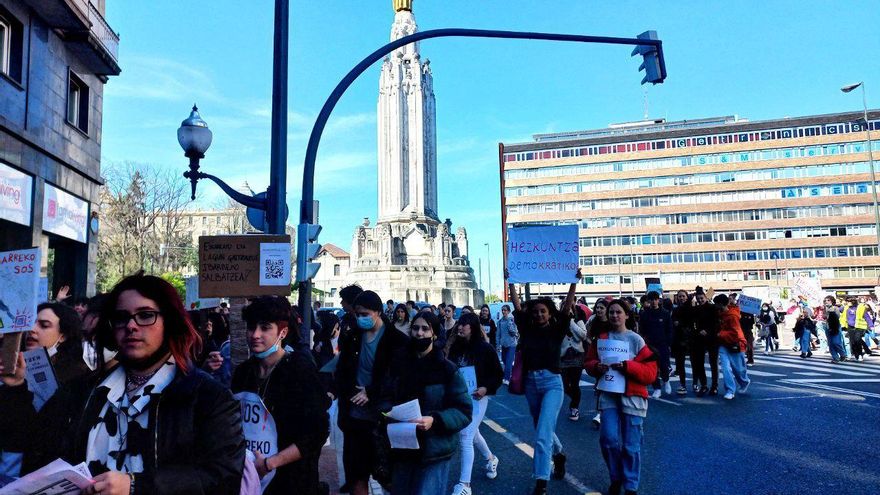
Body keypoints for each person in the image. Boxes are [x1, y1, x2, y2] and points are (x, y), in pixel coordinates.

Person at [0, 272, 245, 493]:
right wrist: (14, 388)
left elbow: (222, 478)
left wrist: (137, 486)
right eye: (121, 317)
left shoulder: (207, 398)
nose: (131, 326)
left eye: (145, 315)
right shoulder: (81, 392)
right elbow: (34, 447)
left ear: (169, 321)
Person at [231, 296, 329, 494]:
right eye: (251, 327)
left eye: (265, 328)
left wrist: (270, 463)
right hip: (249, 479)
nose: (255, 334)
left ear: (282, 332)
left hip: (291, 481)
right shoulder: (243, 373)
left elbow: (317, 433)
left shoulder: (300, 371)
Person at [507, 268, 580, 495]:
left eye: (543, 311)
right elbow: (518, 307)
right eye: (536, 311)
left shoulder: (557, 329)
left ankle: (541, 482)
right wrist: (510, 281)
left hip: (552, 383)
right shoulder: (526, 329)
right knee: (543, 428)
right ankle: (559, 455)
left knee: (541, 435)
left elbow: (567, 307)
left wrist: (573, 282)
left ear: (550, 313)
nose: (539, 314)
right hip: (530, 383)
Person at [384, 311, 472, 495]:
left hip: (434, 449)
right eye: (415, 328)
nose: (419, 333)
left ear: (435, 334)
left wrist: (435, 420)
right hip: (402, 446)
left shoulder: (447, 369)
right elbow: (384, 395)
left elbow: (464, 411)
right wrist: (387, 411)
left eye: (425, 329)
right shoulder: (397, 363)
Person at [335, 290, 409, 494]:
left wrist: (371, 391)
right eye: (357, 314)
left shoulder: (397, 341)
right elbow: (342, 370)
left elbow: (400, 378)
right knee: (356, 475)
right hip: (354, 417)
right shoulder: (353, 338)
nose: (360, 318)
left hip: (384, 418)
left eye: (365, 314)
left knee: (388, 476)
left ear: (378, 312)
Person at [584, 299, 657, 495]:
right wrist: (594, 367)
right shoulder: (601, 339)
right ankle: (616, 477)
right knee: (608, 439)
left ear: (626, 315)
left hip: (632, 396)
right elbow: (589, 361)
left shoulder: (636, 340)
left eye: (618, 312)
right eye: (611, 312)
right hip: (608, 394)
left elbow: (650, 373)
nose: (615, 315)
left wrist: (628, 366)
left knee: (631, 446)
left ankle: (631, 485)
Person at [446, 313, 503, 495]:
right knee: (473, 432)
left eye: (464, 324)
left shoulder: (485, 349)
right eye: (459, 324)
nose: (460, 327)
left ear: (473, 327)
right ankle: (491, 458)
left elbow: (497, 374)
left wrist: (485, 388)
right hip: (459, 397)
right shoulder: (455, 346)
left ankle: (465, 485)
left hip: (478, 397)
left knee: (465, 435)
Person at [28, 302, 91, 384]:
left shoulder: (75, 376)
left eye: (44, 325)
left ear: (62, 337)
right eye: (29, 324)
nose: (31, 329)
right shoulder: (10, 363)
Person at [714, 294, 750, 400]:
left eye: (716, 304)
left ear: (720, 304)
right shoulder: (723, 313)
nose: (715, 306)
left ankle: (744, 381)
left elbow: (735, 333)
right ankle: (730, 390)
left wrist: (721, 334)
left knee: (738, 369)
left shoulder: (732, 316)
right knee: (725, 368)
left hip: (735, 343)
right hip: (724, 344)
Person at [637, 291, 672, 398]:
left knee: (664, 365)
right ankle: (657, 388)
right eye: (651, 299)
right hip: (649, 344)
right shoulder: (644, 314)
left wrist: (668, 342)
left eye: (655, 299)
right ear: (648, 301)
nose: (653, 302)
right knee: (652, 367)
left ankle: (666, 381)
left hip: (662, 343)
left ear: (659, 300)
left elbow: (670, 329)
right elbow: (641, 329)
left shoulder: (665, 313)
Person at [560, 305, 588, 420]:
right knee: (564, 385)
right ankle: (575, 399)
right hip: (563, 357)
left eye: (569, 309)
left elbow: (582, 336)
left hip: (577, 356)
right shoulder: (558, 322)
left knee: (575, 384)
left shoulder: (578, 321)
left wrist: (571, 322)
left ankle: (574, 408)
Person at [690, 287, 719, 396]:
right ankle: (704, 385)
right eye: (698, 299)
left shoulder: (713, 308)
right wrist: (698, 331)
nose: (700, 300)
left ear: (706, 297)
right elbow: (693, 324)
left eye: (701, 298)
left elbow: (717, 323)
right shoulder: (695, 309)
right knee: (699, 363)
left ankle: (715, 386)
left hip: (712, 338)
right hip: (699, 338)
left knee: (713, 363)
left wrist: (708, 331)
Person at [586, 299, 611, 427]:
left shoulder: (612, 323)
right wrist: (594, 346)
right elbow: (588, 336)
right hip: (598, 357)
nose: (599, 310)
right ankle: (600, 413)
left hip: (611, 356)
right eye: (597, 308)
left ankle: (607, 412)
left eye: (602, 308)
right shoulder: (593, 321)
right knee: (600, 385)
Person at [670, 290, 691, 395]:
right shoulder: (675, 310)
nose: (681, 298)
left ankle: (696, 383)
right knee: (680, 364)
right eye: (679, 296)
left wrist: (681, 323)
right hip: (679, 339)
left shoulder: (692, 309)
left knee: (696, 364)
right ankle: (683, 385)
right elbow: (673, 323)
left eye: (683, 296)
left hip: (691, 339)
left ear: (687, 297)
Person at [730, 294, 756, 365]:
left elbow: (752, 322)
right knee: (738, 345)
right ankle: (738, 359)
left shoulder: (749, 312)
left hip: (747, 330)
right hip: (738, 330)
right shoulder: (735, 310)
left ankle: (750, 360)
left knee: (749, 345)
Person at [497, 304, 519, 385]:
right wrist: (498, 345)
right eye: (502, 310)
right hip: (504, 344)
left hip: (512, 344)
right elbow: (498, 335)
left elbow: (515, 333)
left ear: (509, 311)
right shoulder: (499, 322)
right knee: (504, 360)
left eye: (505, 310)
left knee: (509, 361)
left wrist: (510, 325)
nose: (503, 311)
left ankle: (506, 379)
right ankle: (510, 373)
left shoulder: (512, 321)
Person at [823, 296, 847, 362]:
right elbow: (824, 316)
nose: (826, 302)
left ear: (832, 301)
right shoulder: (825, 308)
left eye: (828, 300)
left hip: (835, 326)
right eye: (825, 300)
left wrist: (830, 312)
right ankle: (835, 357)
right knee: (830, 343)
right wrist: (825, 312)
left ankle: (843, 354)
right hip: (828, 326)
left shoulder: (835, 308)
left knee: (836, 342)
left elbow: (837, 317)